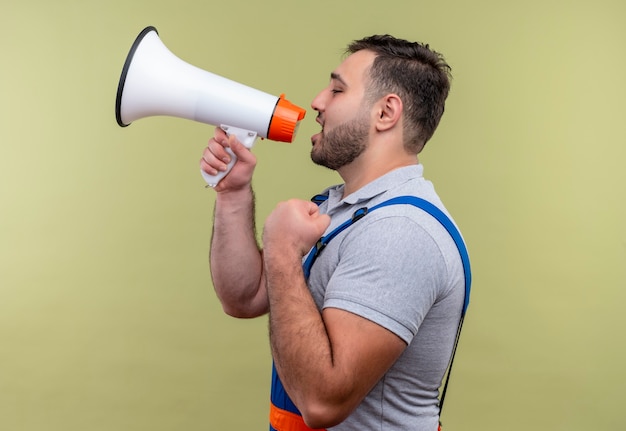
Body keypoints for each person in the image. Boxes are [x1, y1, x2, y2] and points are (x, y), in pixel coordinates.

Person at [201, 35, 468, 431]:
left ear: (386, 112)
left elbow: (322, 402)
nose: (317, 102)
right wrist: (233, 193)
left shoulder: (400, 232)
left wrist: (282, 248)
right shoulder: (345, 208)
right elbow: (243, 297)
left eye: (337, 89)